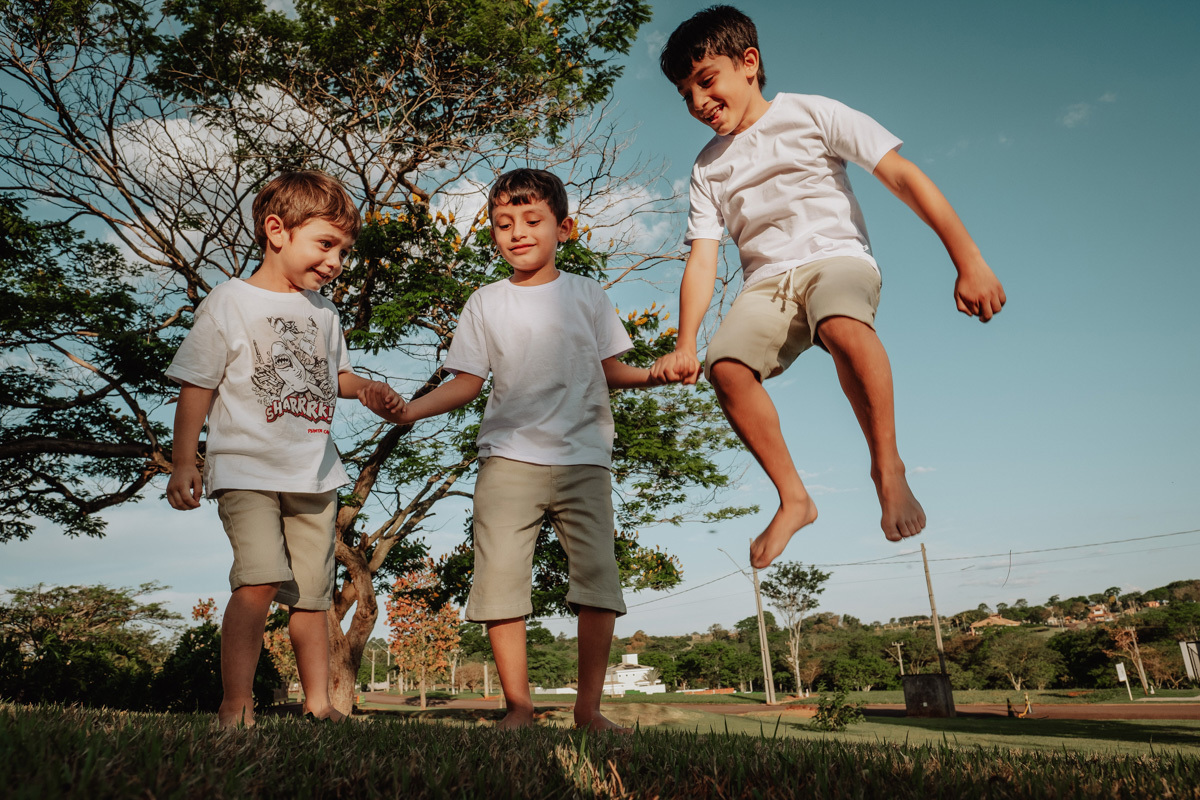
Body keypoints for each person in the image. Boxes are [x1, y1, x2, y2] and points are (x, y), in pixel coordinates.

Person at [651, 6, 1007, 569]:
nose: (697, 102)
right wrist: (686, 342)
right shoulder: (707, 167)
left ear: (749, 63)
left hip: (835, 258)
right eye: (684, 93)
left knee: (842, 326)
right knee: (726, 367)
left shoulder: (813, 113)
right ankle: (794, 498)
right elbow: (701, 257)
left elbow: (903, 176)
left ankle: (887, 466)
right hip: (766, 283)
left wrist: (969, 260)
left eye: (706, 80)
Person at [360, 168, 670, 731]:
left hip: (584, 460)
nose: (517, 232)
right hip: (507, 461)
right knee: (500, 579)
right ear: (493, 231)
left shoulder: (587, 294)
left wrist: (655, 374)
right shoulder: (484, 302)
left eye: (532, 220)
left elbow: (613, 372)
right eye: (504, 223)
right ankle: (519, 707)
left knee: (598, 581)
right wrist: (409, 409)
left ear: (564, 227)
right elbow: (466, 381)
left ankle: (589, 711)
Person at [166, 170, 403, 728]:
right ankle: (236, 704)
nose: (337, 260)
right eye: (326, 244)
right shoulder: (229, 301)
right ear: (277, 230)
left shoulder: (325, 312)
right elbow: (196, 385)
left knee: (315, 596)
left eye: (344, 250)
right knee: (258, 578)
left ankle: (320, 703)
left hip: (315, 475)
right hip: (245, 469)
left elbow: (335, 375)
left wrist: (365, 387)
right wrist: (184, 461)